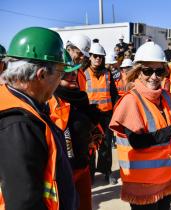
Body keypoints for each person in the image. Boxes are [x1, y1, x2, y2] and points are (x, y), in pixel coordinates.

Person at [109, 41, 171, 210]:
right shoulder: (130, 100)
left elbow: (168, 134)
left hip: (164, 177)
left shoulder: (166, 98)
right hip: (141, 182)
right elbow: (137, 142)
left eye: (159, 71)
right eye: (148, 71)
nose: (154, 76)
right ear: (138, 72)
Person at [0, 27, 77, 210]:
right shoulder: (17, 124)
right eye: (60, 74)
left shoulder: (25, 107)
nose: (60, 81)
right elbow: (23, 203)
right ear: (41, 74)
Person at [48, 50, 100, 210]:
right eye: (66, 74)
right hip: (64, 172)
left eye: (74, 72)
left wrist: (93, 136)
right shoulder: (50, 100)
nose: (72, 77)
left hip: (82, 166)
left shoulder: (80, 99)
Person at [85, 42, 119, 184]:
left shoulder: (107, 74)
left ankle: (107, 172)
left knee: (106, 145)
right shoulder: (83, 73)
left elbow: (114, 94)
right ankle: (90, 173)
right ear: (90, 57)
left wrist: (116, 113)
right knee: (91, 146)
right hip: (90, 116)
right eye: (95, 56)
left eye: (100, 56)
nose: (98, 59)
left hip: (106, 116)